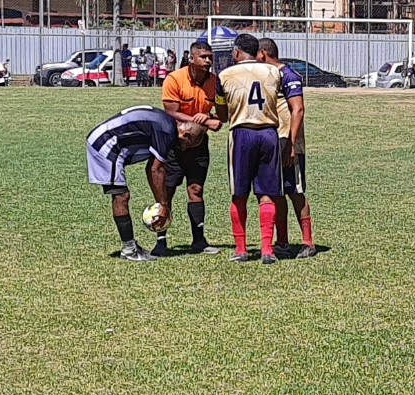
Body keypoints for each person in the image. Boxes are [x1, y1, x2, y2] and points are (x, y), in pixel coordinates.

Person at [214, 31, 288, 264]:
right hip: (268, 133)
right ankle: (267, 250)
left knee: (240, 193)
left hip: (242, 133)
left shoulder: (225, 75)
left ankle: (241, 249)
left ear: (236, 52)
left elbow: (223, 114)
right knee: (267, 194)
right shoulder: (275, 72)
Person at [85, 105, 180, 263]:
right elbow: (155, 169)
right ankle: (129, 249)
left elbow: (152, 167)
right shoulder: (167, 131)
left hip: (109, 140)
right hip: (106, 144)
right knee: (121, 196)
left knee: (122, 195)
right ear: (188, 135)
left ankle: (131, 246)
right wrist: (163, 204)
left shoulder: (166, 122)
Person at [158, 38, 224, 255]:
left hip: (199, 146)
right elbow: (171, 112)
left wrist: (211, 117)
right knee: (166, 192)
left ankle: (199, 241)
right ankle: (161, 240)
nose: (207, 61)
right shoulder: (174, 79)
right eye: (203, 57)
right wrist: (203, 120)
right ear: (191, 58)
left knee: (196, 190)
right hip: (174, 145)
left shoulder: (215, 81)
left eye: (210, 57)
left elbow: (223, 114)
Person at [257, 37, 316, 259]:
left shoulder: (288, 76)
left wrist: (292, 144)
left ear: (263, 54)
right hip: (273, 142)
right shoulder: (269, 77)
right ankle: (282, 241)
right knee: (276, 192)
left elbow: (298, 110)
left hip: (288, 143)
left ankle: (308, 242)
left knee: (295, 191)